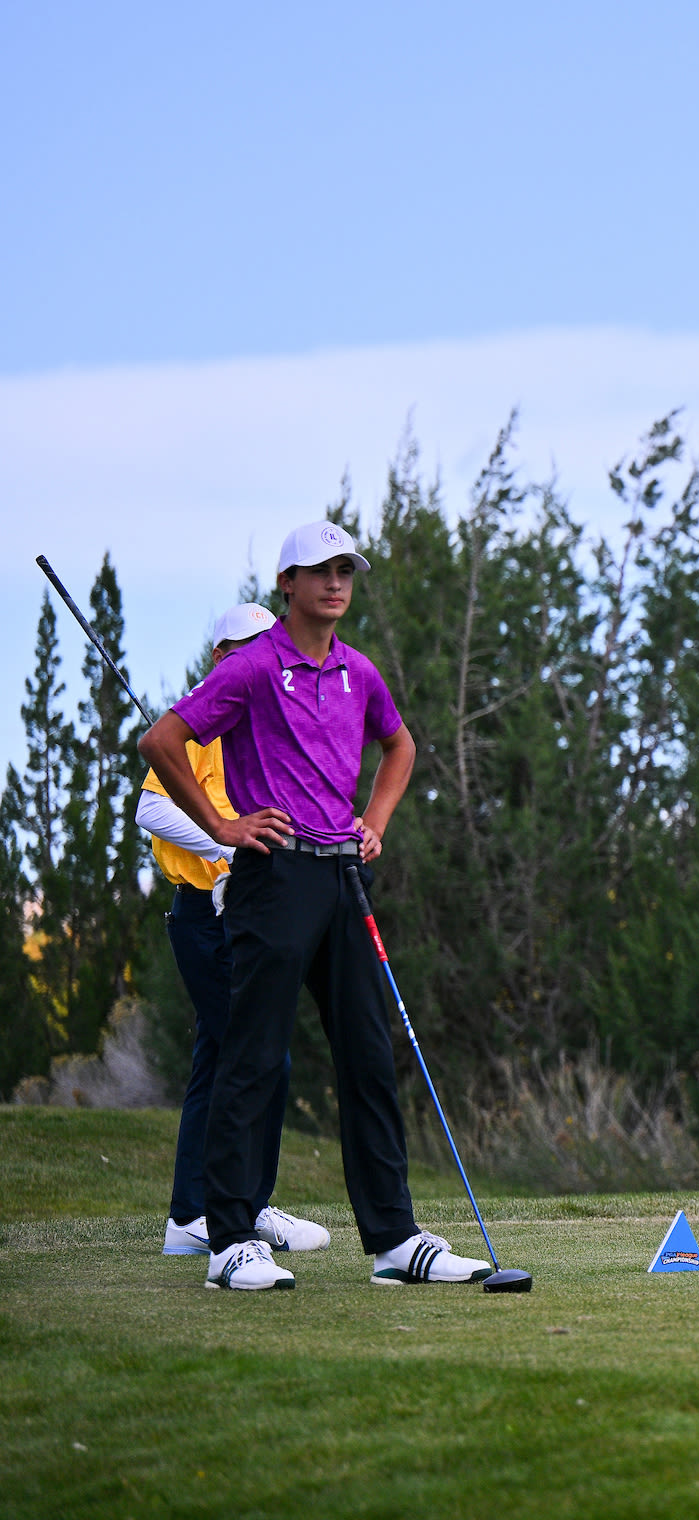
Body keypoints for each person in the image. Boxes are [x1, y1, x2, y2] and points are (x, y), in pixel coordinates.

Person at [137, 519, 491, 1292]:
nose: (335, 583)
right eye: (318, 571)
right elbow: (162, 740)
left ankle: (393, 1240)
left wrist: (376, 822)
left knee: (367, 1055)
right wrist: (224, 825)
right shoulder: (254, 668)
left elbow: (400, 747)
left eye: (345, 571)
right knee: (253, 1054)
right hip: (273, 878)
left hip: (340, 878)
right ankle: (230, 1239)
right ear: (286, 585)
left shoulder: (359, 673)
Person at [139, 602, 329, 1259]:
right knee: (259, 1057)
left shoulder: (264, 729)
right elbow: (150, 808)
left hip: (242, 914)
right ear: (222, 659)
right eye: (248, 649)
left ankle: (195, 1215)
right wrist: (224, 845)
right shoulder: (202, 722)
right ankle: (236, 1211)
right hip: (202, 914)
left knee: (221, 1060)